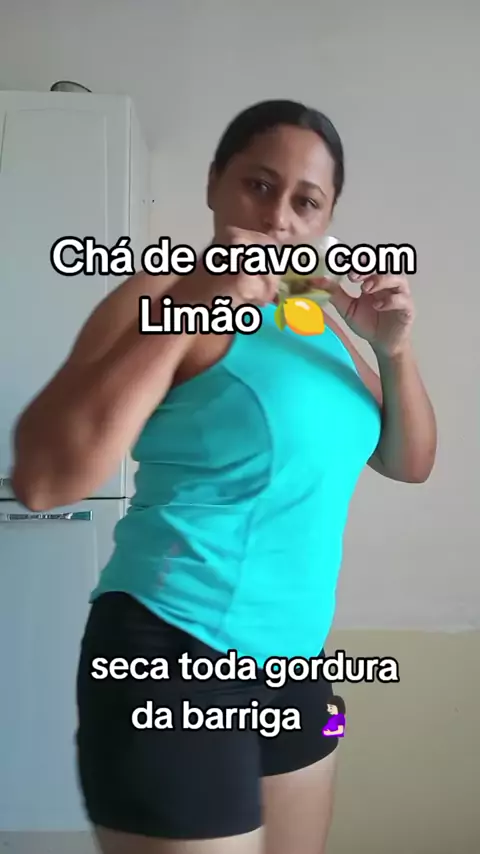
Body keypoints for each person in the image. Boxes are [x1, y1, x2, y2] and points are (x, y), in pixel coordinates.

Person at [11, 99, 437, 854]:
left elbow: (409, 462)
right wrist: (196, 305)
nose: (278, 218)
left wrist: (393, 350)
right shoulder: (154, 294)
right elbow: (45, 480)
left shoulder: (318, 316)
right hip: (170, 652)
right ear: (215, 183)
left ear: (326, 220)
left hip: (296, 666)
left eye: (306, 202)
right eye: (258, 185)